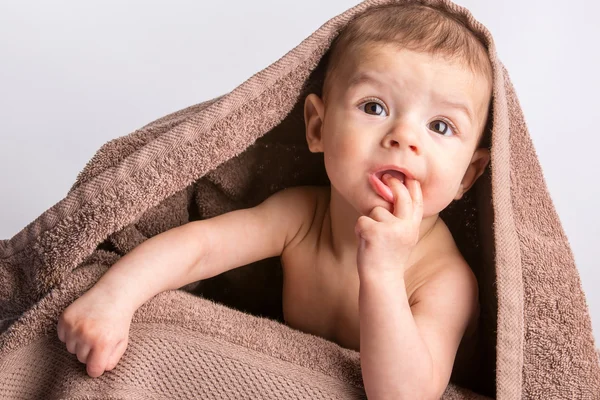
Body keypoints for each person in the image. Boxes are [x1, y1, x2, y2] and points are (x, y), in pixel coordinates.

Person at [57, 3, 493, 399]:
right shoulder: (300, 217)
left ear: (467, 176)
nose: (405, 138)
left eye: (440, 126)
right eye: (375, 107)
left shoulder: (445, 279)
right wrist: (115, 297)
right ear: (318, 128)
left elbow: (405, 395)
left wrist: (382, 270)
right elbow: (199, 247)